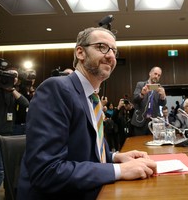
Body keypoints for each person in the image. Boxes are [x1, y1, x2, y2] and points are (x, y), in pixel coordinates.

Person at [17, 27, 156, 200]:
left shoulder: (91, 97)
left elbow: (86, 152)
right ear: (80, 53)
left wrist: (116, 157)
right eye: (101, 47)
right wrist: (119, 170)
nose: (111, 56)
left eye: (114, 50)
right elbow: (47, 171)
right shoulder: (56, 89)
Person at [0, 67, 29, 189]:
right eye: (8, 75)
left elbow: (26, 104)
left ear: (16, 79)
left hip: (4, 136)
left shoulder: (14, 93)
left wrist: (11, 89)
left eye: (14, 75)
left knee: (0, 170)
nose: (11, 77)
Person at [130, 66, 167, 136]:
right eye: (155, 74)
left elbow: (163, 104)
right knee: (139, 144)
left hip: (154, 123)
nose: (157, 76)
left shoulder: (159, 88)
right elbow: (134, 99)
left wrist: (163, 96)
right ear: (150, 73)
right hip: (140, 121)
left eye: (159, 75)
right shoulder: (140, 85)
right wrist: (142, 94)